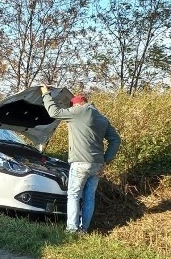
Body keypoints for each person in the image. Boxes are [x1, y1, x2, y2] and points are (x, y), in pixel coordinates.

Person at [41, 85, 121, 233]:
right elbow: (116, 140)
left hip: (80, 163)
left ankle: (72, 229)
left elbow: (53, 112)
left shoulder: (77, 111)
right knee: (89, 197)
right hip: (97, 165)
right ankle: (84, 230)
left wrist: (46, 94)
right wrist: (106, 160)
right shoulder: (102, 118)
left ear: (76, 104)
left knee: (74, 195)